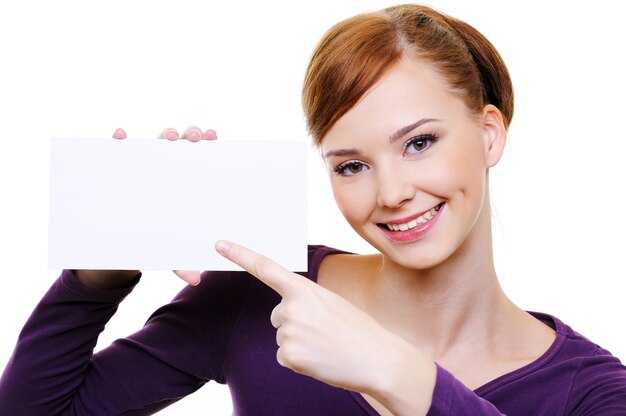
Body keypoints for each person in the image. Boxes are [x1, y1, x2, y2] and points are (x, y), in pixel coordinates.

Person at [1, 3, 625, 415]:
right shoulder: (263, 298)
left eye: (419, 142)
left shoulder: (592, 390)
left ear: (489, 133)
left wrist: (397, 373)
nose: (391, 193)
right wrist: (99, 273)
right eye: (351, 164)